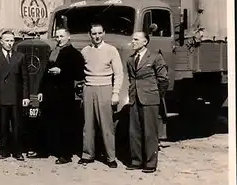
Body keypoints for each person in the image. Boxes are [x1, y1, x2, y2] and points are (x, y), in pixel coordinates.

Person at [33, 28, 85, 164]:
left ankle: (65, 154)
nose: (59, 39)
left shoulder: (74, 54)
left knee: (65, 124)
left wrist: (62, 71)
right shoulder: (54, 51)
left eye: (62, 36)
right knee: (47, 121)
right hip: (50, 93)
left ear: (68, 37)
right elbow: (45, 72)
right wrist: (40, 91)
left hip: (64, 94)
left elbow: (80, 73)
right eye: (57, 36)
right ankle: (45, 150)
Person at [80, 23, 123, 168]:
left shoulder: (111, 50)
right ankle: (87, 154)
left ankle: (111, 157)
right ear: (89, 35)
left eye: (99, 33)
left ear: (104, 33)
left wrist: (115, 93)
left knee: (106, 124)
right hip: (88, 88)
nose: (97, 36)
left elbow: (118, 74)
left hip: (105, 88)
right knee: (88, 124)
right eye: (94, 34)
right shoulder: (85, 51)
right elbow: (80, 71)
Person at [127, 31, 169, 173]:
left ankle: (150, 163)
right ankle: (136, 160)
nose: (133, 42)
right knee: (134, 131)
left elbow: (163, 79)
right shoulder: (130, 59)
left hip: (150, 98)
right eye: (133, 39)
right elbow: (132, 79)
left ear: (145, 42)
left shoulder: (155, 57)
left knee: (150, 132)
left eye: (136, 39)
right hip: (134, 98)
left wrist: (156, 95)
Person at [0, 31, 30, 161]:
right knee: (3, 124)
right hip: (1, 96)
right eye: (7, 41)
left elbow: (25, 78)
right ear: (1, 41)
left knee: (17, 125)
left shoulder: (20, 57)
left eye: (12, 41)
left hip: (16, 96)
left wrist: (26, 96)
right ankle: (4, 150)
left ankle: (18, 151)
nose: (9, 43)